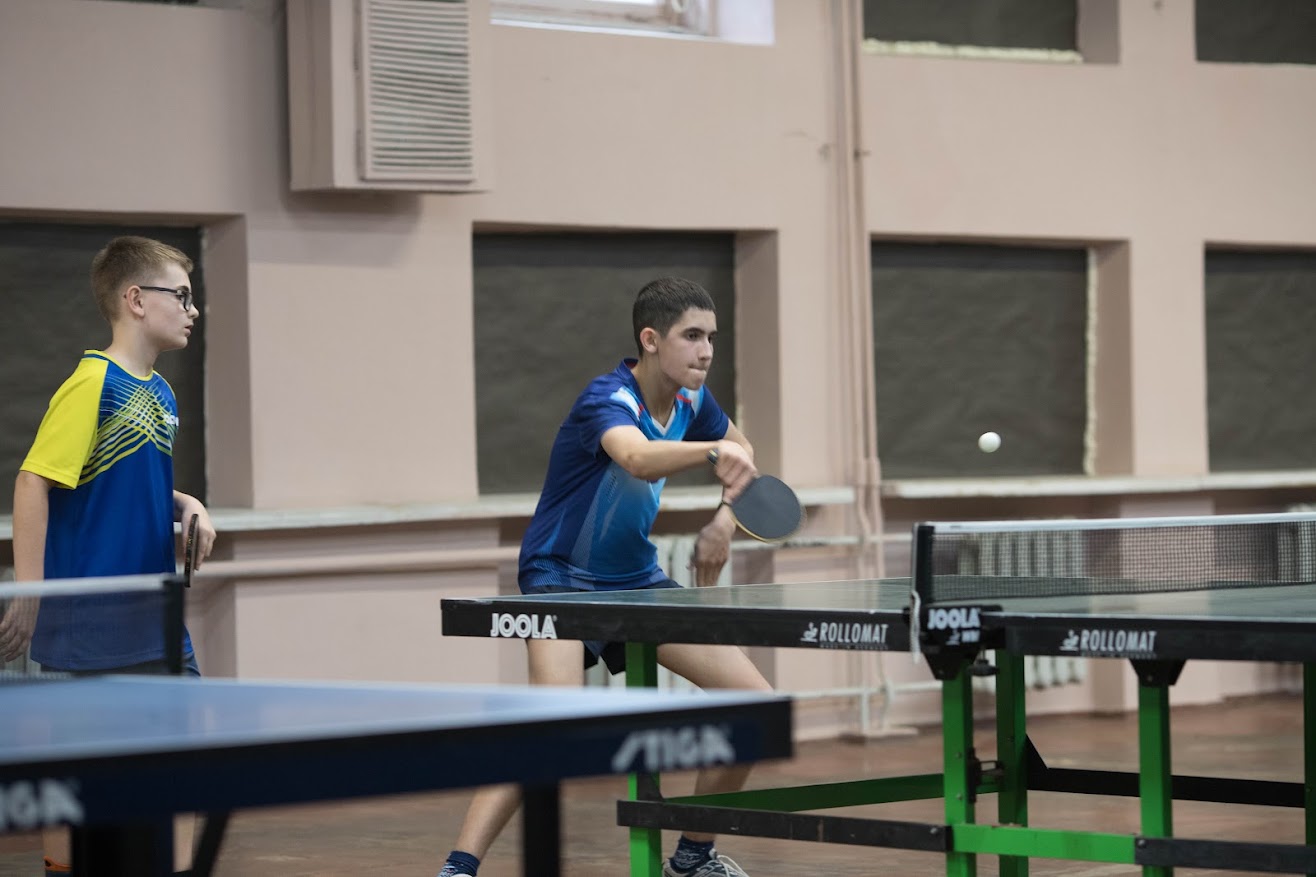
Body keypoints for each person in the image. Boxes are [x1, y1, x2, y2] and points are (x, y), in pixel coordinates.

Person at [436, 277, 772, 877]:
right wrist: (711, 453)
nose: (706, 351)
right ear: (651, 339)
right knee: (546, 730)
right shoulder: (608, 398)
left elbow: (741, 453)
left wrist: (724, 520)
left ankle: (693, 857)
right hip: (559, 578)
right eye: (692, 336)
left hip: (636, 579)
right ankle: (458, 869)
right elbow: (637, 457)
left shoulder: (694, 401)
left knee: (756, 707)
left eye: (711, 338)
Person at [0, 236, 217, 876]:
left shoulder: (161, 393)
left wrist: (187, 503)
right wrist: (33, 594)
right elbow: (34, 481)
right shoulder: (94, 383)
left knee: (187, 761)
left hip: (153, 616)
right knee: (78, 787)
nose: (193, 309)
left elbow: (120, 480)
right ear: (136, 300)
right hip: (87, 622)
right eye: (181, 295)